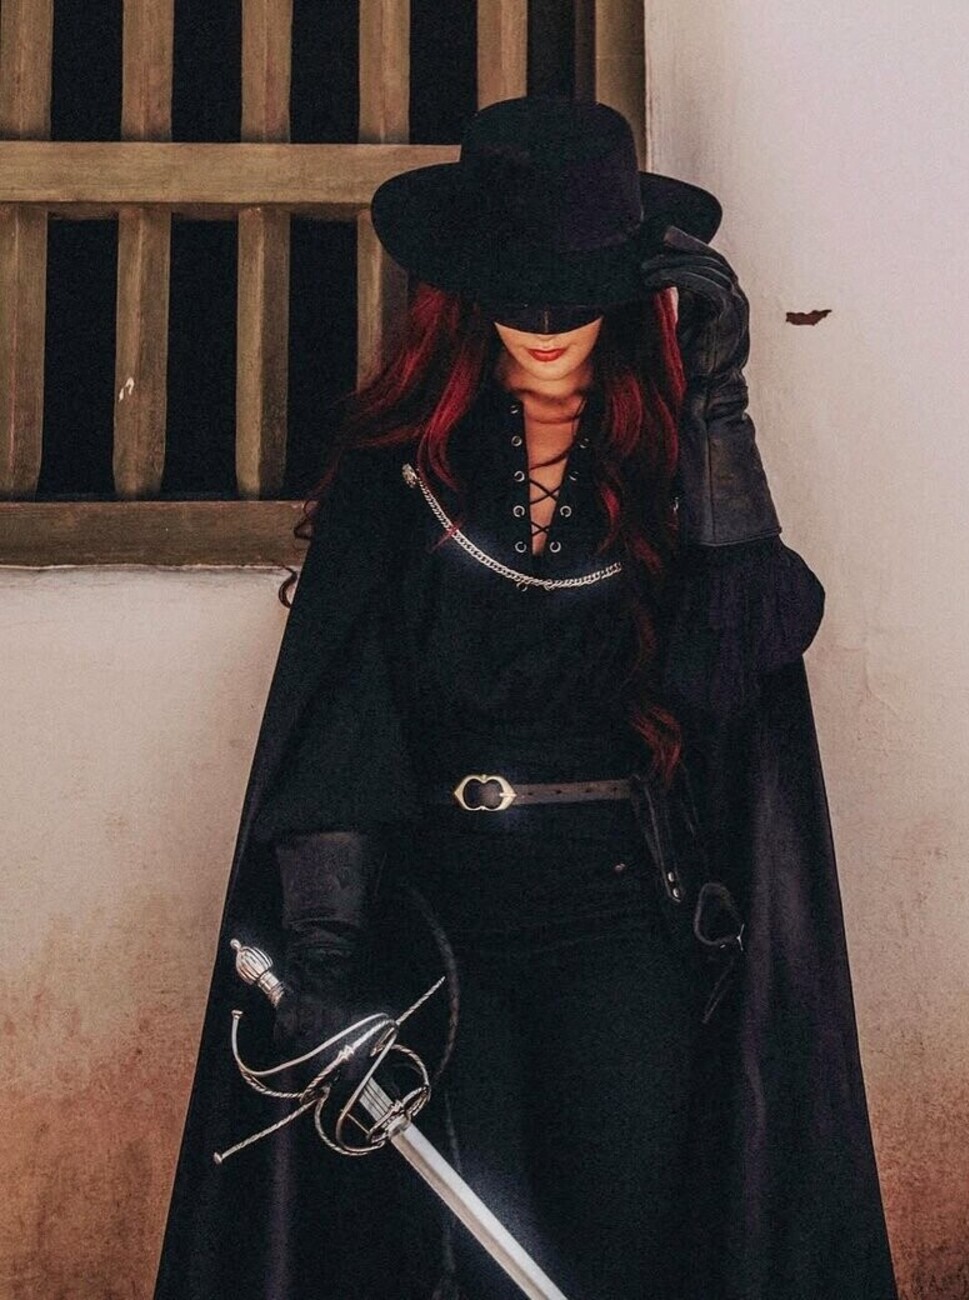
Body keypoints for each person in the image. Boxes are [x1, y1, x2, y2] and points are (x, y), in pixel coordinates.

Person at [154, 97, 897, 1299]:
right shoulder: (401, 473)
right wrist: (328, 950)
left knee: (626, 1247)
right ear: (465, 287)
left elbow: (736, 662)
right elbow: (345, 705)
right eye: (520, 291)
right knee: (474, 1265)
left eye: (576, 292)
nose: (547, 326)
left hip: (628, 916)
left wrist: (717, 406)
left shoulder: (666, 469)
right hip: (446, 925)